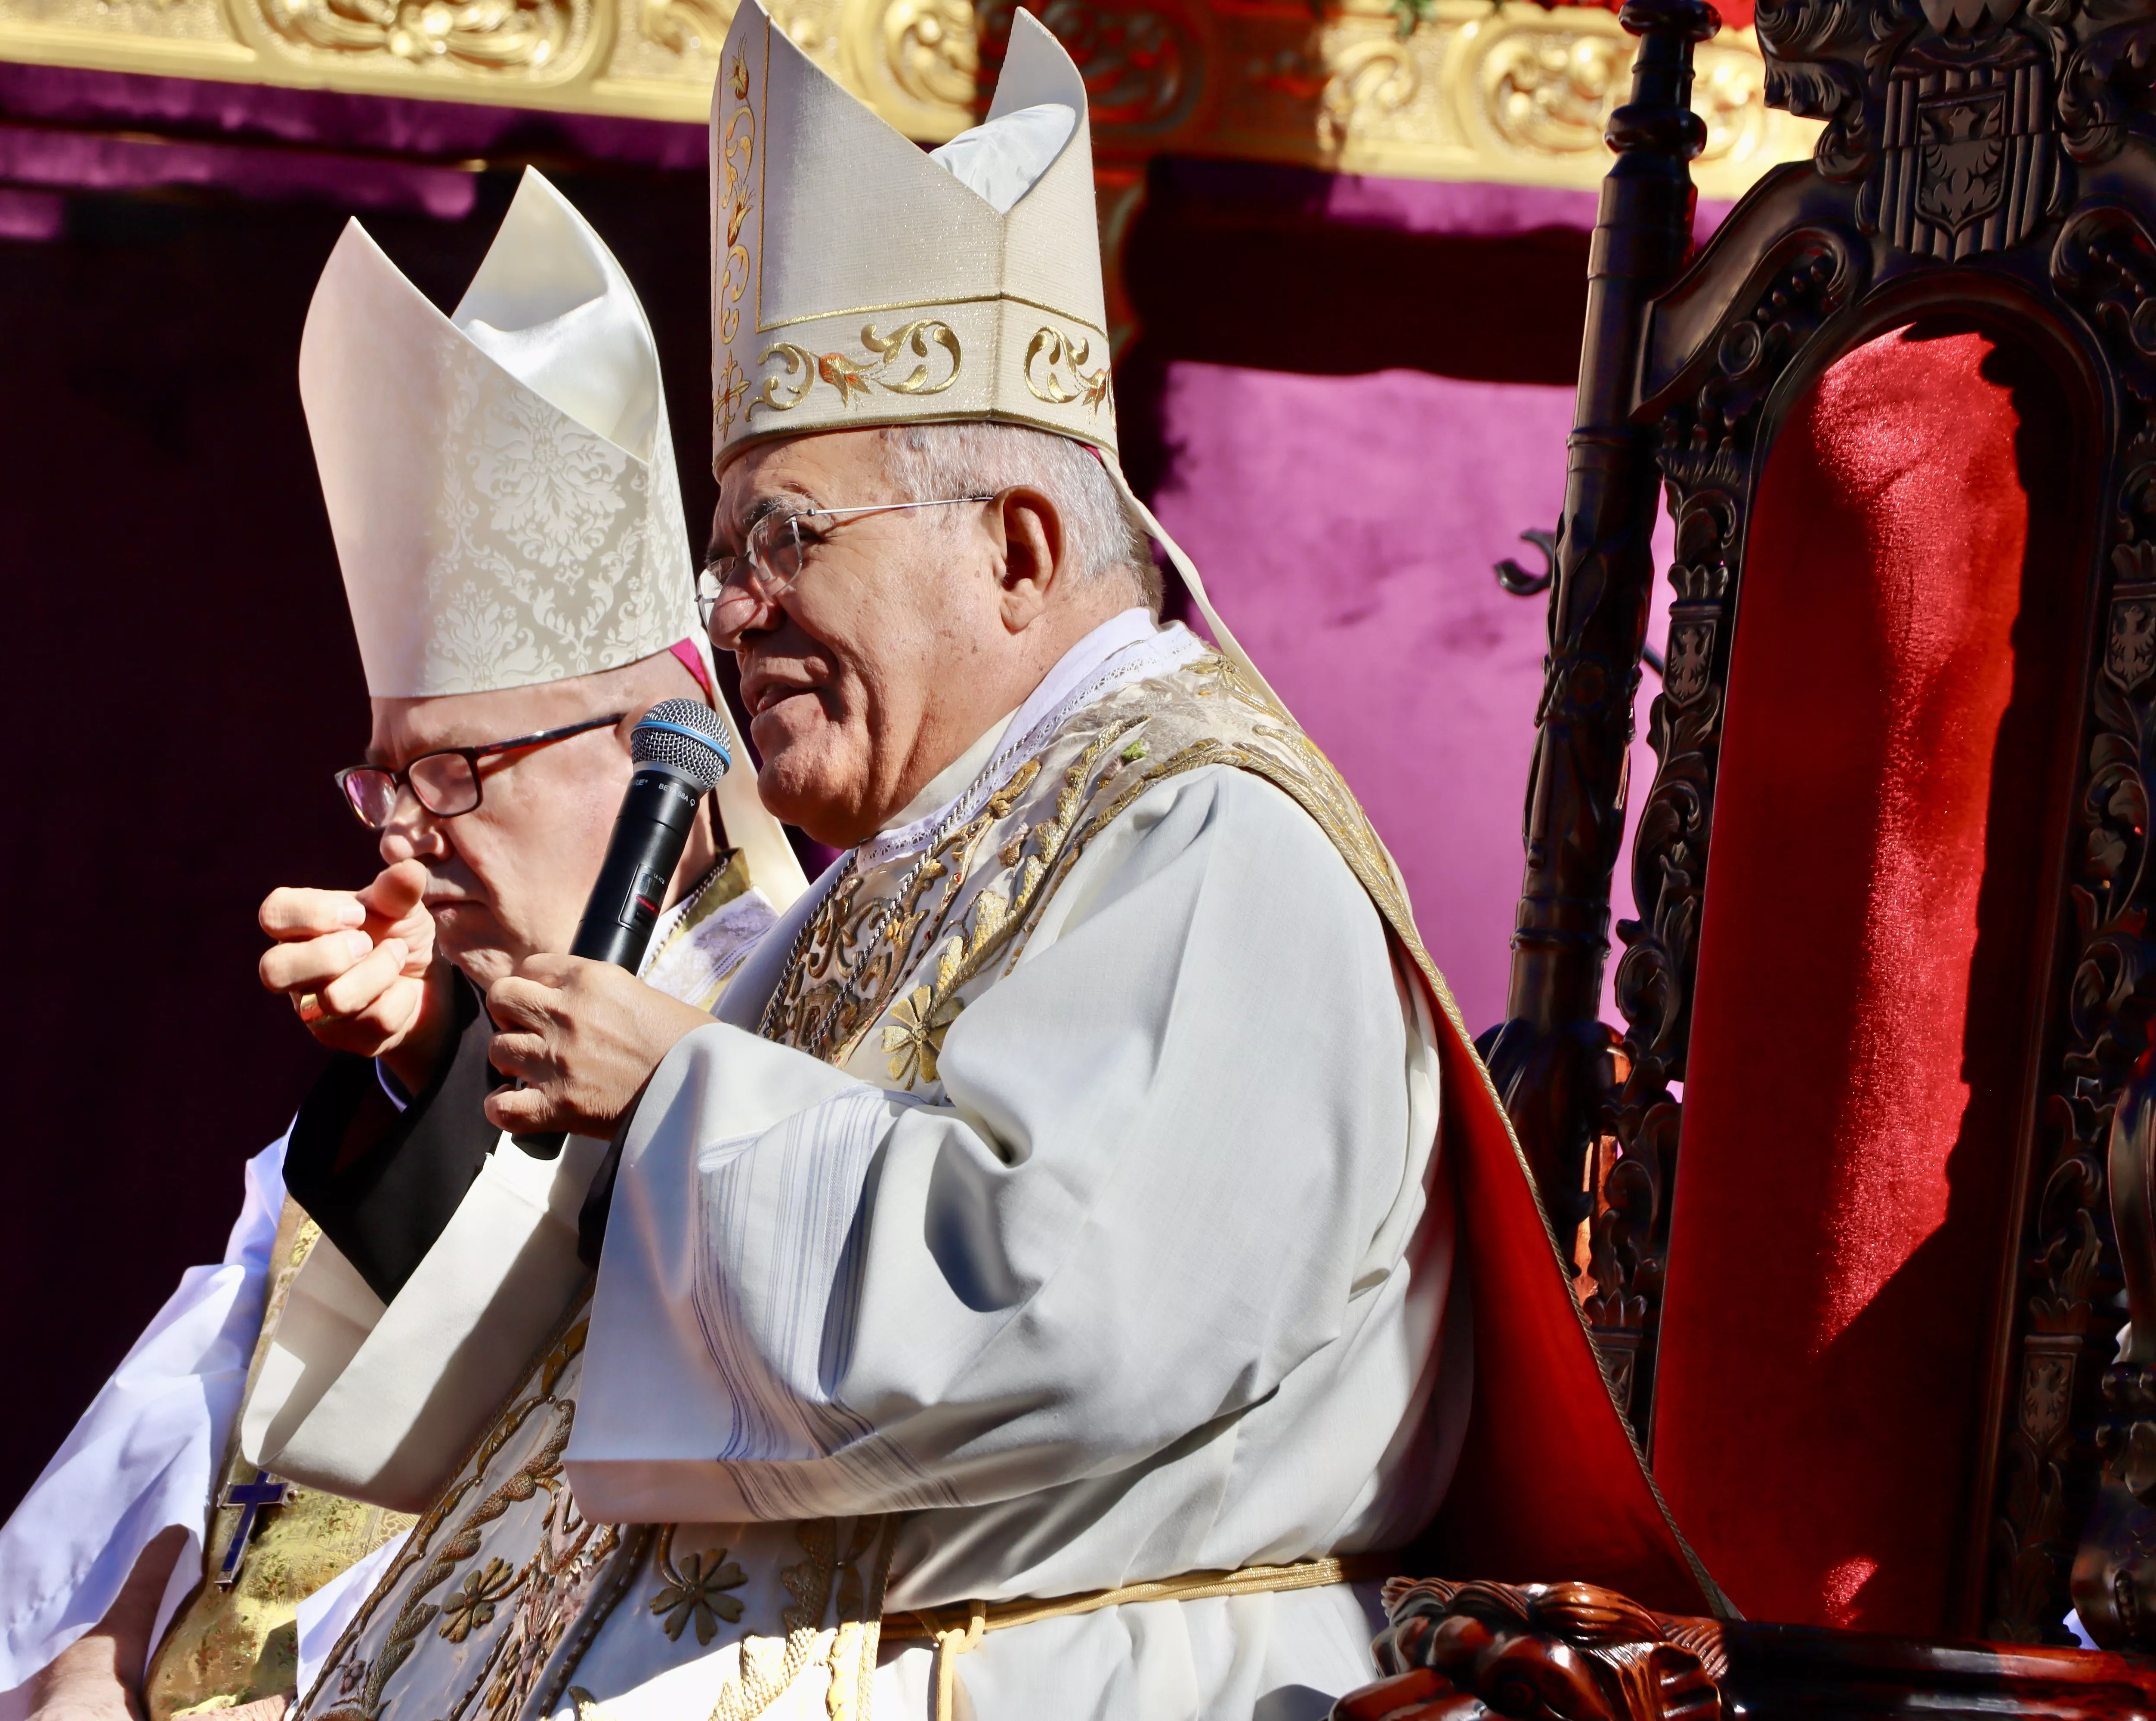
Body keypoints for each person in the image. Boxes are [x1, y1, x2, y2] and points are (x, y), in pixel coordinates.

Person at [259, 15, 1723, 1721]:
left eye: (780, 541)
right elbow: (608, 1325)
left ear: (1019, 550)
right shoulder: (901, 864)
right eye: (725, 557)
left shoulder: (1212, 835)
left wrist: (679, 1097)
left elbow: (1066, 1308)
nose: (727, 614)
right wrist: (449, 1060)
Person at [0, 171, 806, 1721]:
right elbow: (222, 1409)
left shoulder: (787, 1005)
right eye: (389, 775)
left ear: (659, 736)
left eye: (458, 770)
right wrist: (416, 1075)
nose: (402, 831)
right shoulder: (429, 1025)